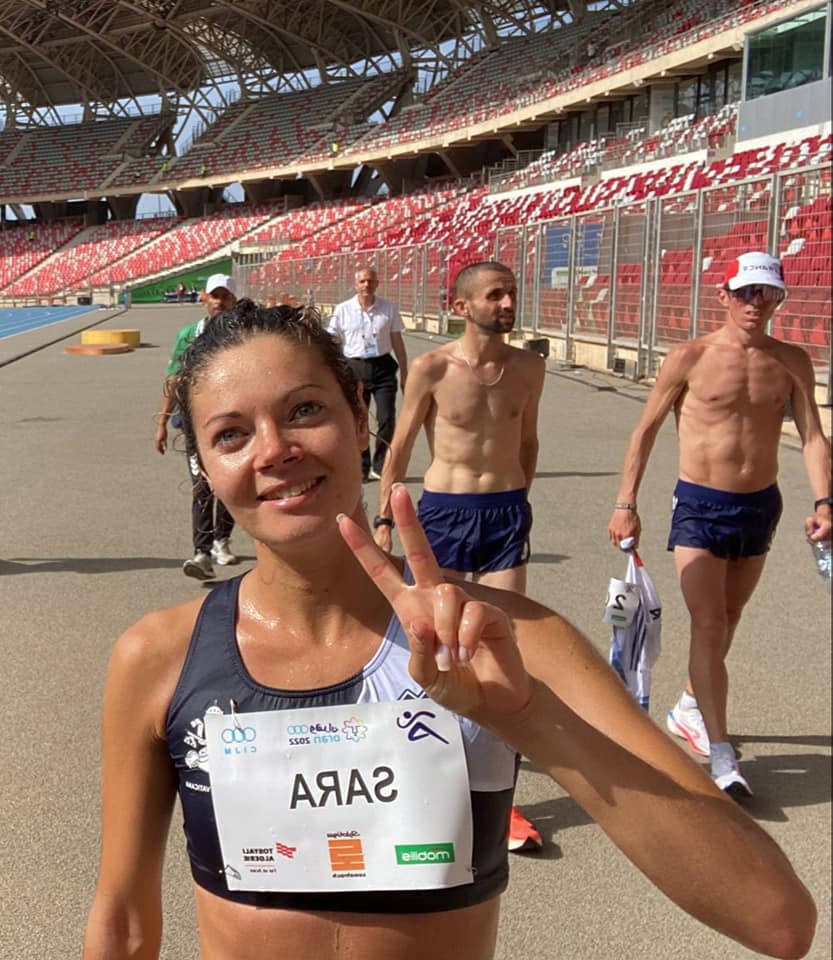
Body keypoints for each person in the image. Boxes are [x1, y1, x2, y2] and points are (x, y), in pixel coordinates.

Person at [83, 299, 817, 960]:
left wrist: (529, 718)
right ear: (206, 467)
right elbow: (121, 923)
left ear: (358, 419)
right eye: (232, 434)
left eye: (305, 410)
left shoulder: (509, 638)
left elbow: (775, 920)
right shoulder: (160, 657)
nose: (273, 449)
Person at [608, 251, 832, 799]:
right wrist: (625, 501)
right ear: (724, 295)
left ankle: (689, 704)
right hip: (700, 506)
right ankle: (722, 753)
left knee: (730, 616)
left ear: (779, 298)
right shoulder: (690, 356)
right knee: (709, 623)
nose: (757, 303)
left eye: (768, 293)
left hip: (761, 505)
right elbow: (646, 430)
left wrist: (826, 502)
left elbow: (811, 437)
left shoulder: (792, 361)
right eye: (747, 292)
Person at [374, 261, 545, 850]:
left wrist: (520, 502)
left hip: (503, 515)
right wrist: (384, 520)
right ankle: (422, 774)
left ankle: (504, 799)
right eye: (495, 294)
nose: (507, 303)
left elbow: (528, 441)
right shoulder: (432, 368)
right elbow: (397, 448)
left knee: (503, 647)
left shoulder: (529, 367)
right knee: (438, 643)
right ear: (461, 305)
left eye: (511, 293)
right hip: (444, 513)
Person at [154, 273, 240, 580]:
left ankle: (222, 538)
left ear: (233, 300)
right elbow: (174, 379)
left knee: (230, 484)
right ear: (204, 297)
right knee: (202, 487)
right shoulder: (188, 335)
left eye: (225, 296)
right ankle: (202, 553)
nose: (219, 302)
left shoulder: (243, 335)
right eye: (214, 296)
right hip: (196, 426)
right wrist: (162, 421)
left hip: (235, 424)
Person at [327, 265, 408, 482]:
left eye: (371, 281)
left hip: (383, 368)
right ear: (355, 284)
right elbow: (332, 339)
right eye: (362, 281)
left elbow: (397, 342)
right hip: (354, 368)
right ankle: (362, 465)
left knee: (386, 419)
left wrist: (406, 373)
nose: (366, 285)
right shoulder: (343, 309)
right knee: (358, 420)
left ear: (377, 284)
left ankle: (380, 465)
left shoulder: (388, 308)